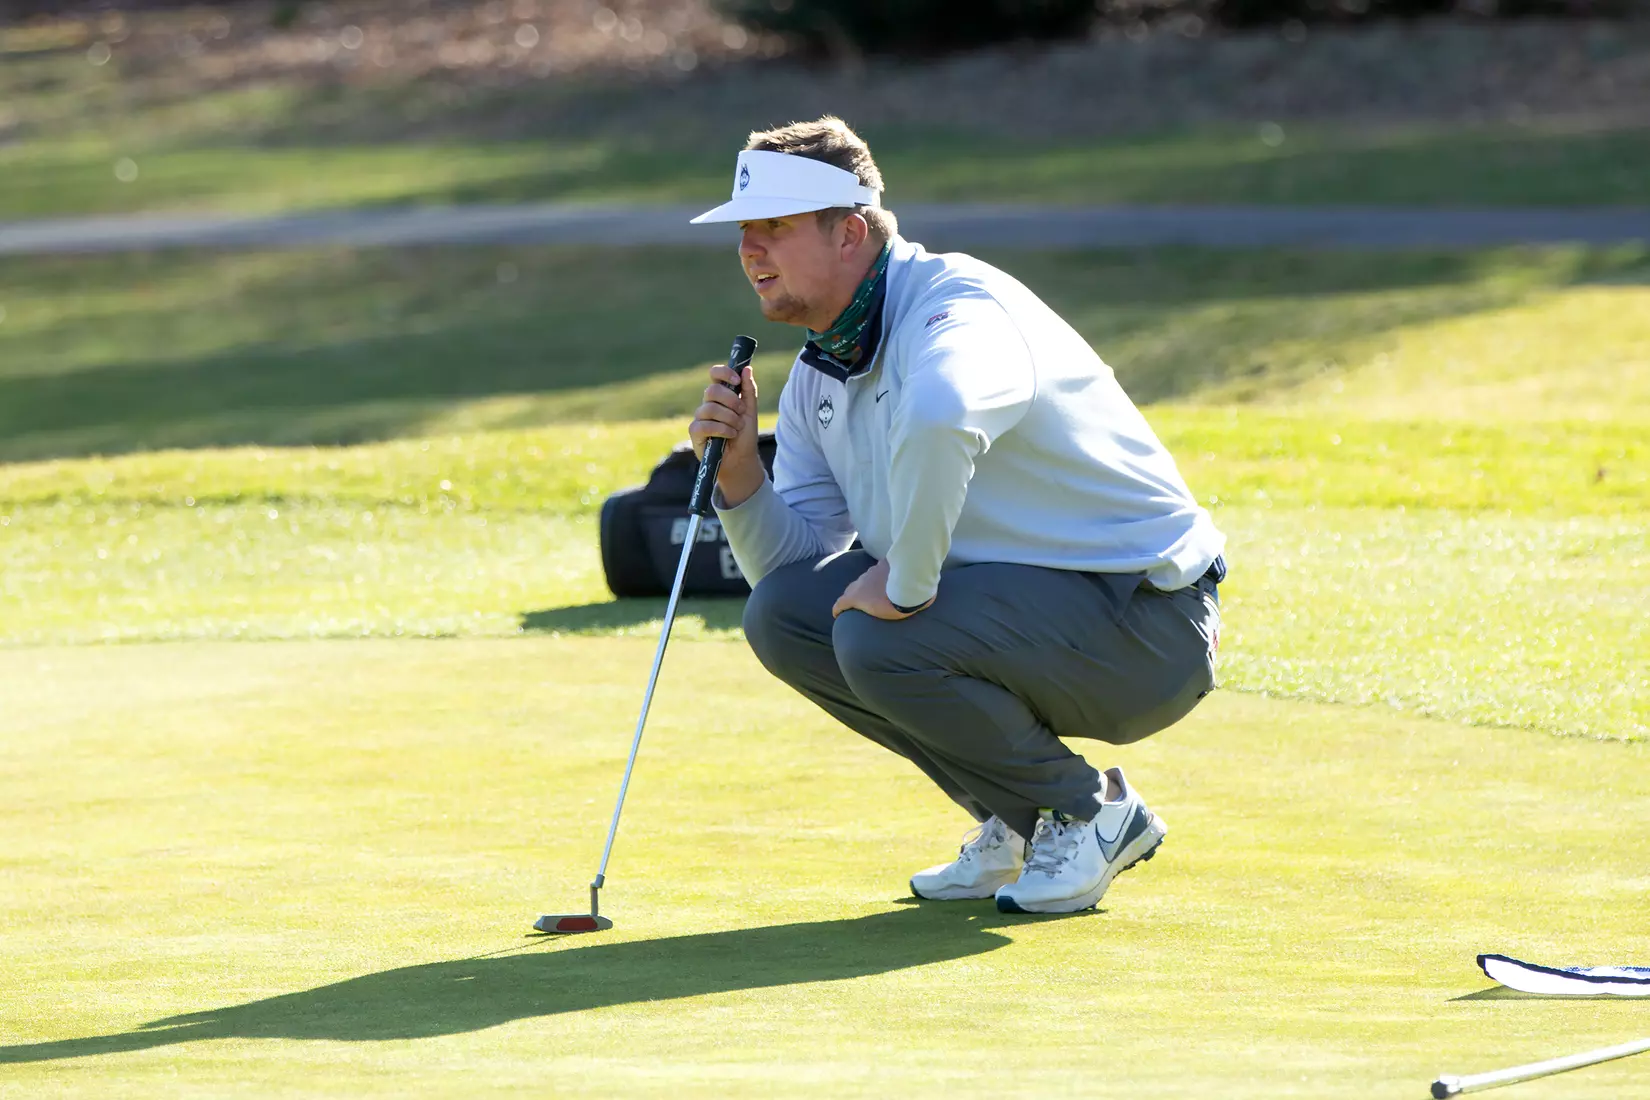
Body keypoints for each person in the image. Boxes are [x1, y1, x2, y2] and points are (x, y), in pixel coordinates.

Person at [686, 116, 1226, 915]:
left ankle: (1089, 812)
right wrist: (740, 477)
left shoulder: (958, 306)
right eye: (743, 232)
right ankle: (1018, 817)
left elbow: (943, 416)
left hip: (1147, 621)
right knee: (783, 618)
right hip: (1018, 617)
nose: (750, 250)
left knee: (876, 632)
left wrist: (903, 586)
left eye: (776, 227)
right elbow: (796, 580)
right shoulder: (816, 376)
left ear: (851, 233)